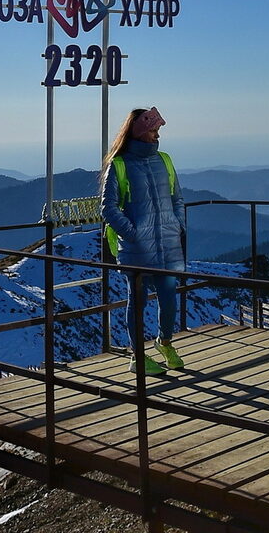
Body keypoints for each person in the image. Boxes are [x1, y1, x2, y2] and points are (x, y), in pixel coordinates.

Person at [100, 106, 186, 375]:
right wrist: (135, 235)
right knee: (137, 302)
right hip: (137, 250)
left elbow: (177, 198)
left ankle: (165, 342)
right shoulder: (119, 164)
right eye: (154, 130)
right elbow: (108, 208)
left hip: (168, 244)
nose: (158, 135)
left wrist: (178, 225)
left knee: (169, 299)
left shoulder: (165, 160)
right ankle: (137, 357)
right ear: (140, 132)